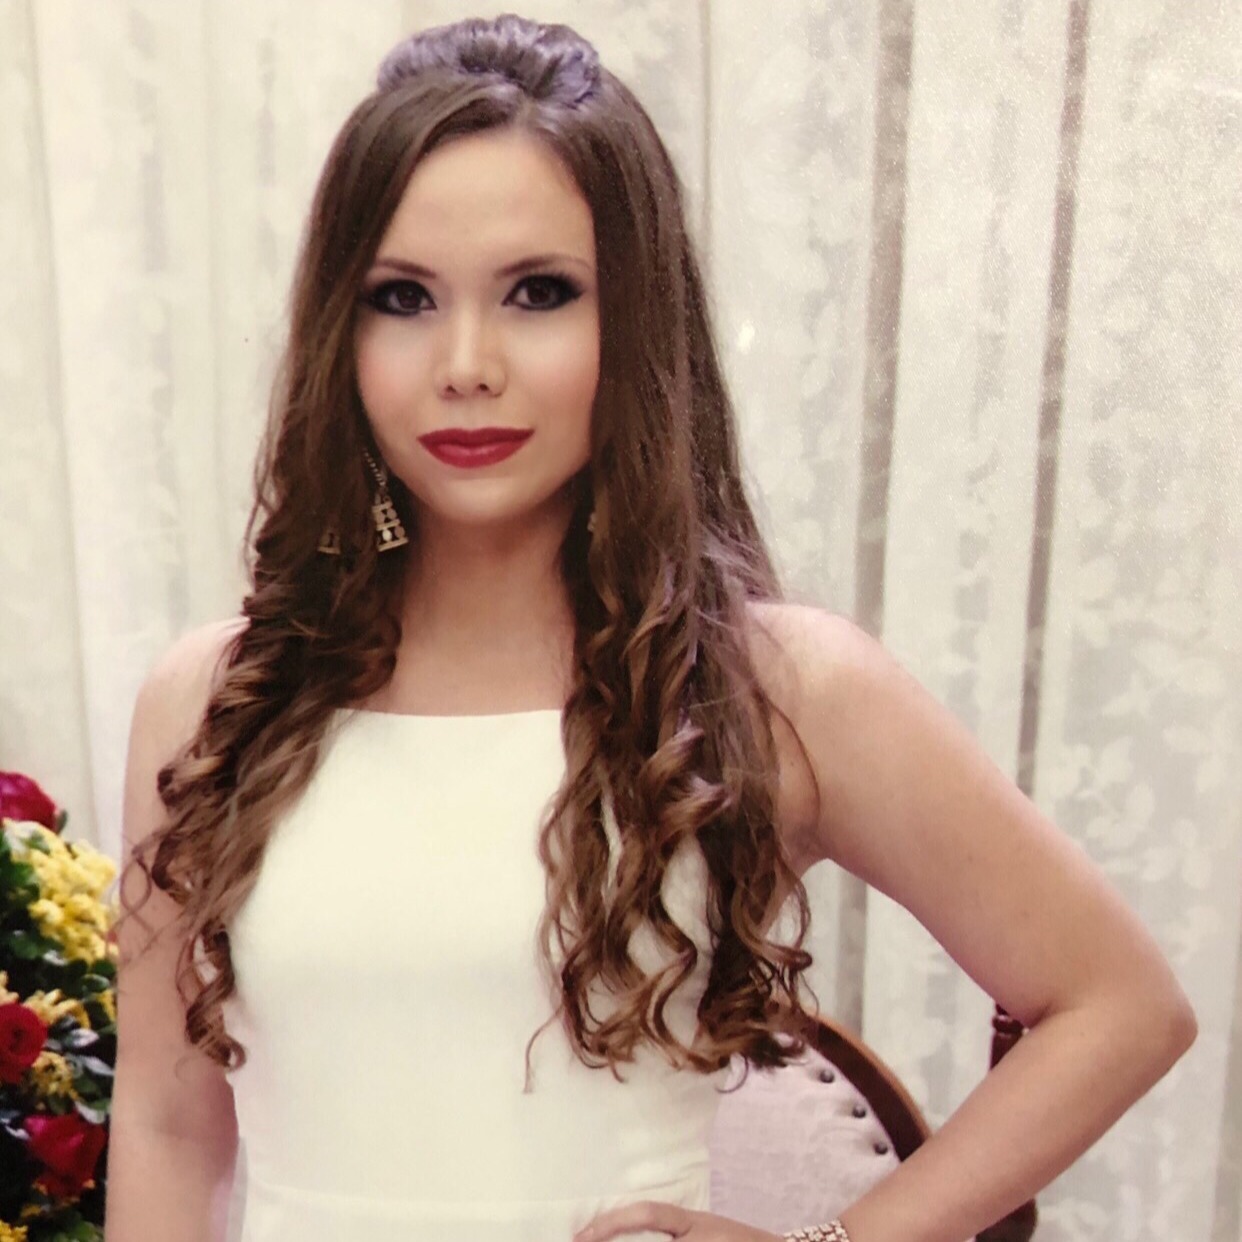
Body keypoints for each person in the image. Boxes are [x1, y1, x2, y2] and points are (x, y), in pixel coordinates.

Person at [103, 13, 1196, 1242]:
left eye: (539, 293)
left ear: (636, 318)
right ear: (337, 336)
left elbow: (1118, 1003)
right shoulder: (213, 700)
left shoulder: (771, 687)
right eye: (401, 298)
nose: (466, 363)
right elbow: (167, 1128)